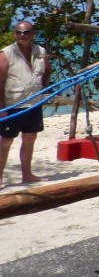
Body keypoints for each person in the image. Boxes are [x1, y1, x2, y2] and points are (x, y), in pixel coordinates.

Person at [0, 20, 51, 187]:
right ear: (14, 33)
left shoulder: (40, 51)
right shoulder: (6, 53)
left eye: (26, 32)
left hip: (33, 103)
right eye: (19, 32)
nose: (22, 35)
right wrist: (2, 109)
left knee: (30, 138)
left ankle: (27, 174)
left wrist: (44, 87)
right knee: (6, 141)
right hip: (12, 104)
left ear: (33, 34)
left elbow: (47, 70)